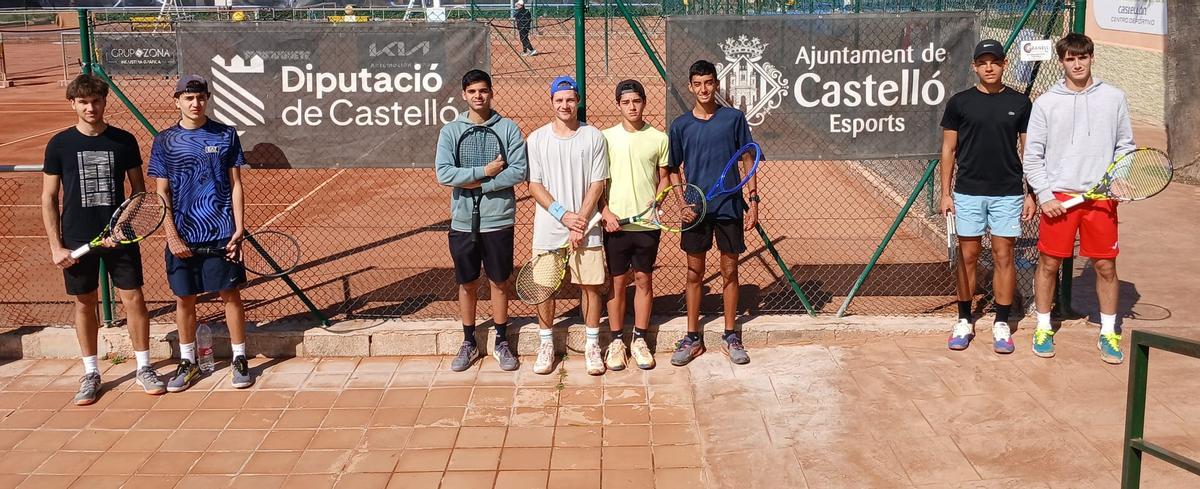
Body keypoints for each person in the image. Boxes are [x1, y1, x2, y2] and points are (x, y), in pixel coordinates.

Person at [41, 74, 165, 405]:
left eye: (96, 101)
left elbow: (139, 191)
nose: (90, 107)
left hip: (119, 236)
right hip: (77, 236)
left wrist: (119, 226)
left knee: (134, 298)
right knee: (84, 302)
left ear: (104, 102)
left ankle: (144, 367)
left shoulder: (123, 141)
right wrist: (56, 246)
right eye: (83, 102)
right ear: (73, 104)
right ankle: (91, 372)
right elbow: (49, 197)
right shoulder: (59, 145)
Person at [1023, 33, 1135, 364]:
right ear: (1062, 62)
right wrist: (1044, 195)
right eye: (1070, 58)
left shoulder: (1114, 98)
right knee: (1049, 263)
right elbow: (1033, 156)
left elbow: (1125, 146)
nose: (1077, 63)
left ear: (1091, 58)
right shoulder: (1046, 103)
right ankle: (1043, 327)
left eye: (1082, 57)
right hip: (1058, 198)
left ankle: (1109, 332)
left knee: (1105, 265)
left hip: (1100, 198)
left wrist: (1118, 178)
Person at [149, 75, 254, 390]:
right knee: (185, 299)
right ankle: (188, 361)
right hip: (183, 234)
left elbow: (236, 185)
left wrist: (239, 228)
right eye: (188, 98)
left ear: (207, 99)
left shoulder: (225, 135)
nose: (195, 104)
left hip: (221, 231)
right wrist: (172, 235)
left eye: (200, 98)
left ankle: (239, 358)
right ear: (177, 100)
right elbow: (161, 193)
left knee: (230, 295)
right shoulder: (165, 140)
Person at [939, 39, 1035, 353]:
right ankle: (964, 320)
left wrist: (1031, 193)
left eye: (994, 61)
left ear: (1004, 64)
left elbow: (1029, 150)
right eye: (983, 62)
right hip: (967, 192)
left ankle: (1002, 323)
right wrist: (945, 193)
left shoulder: (1020, 103)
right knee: (967, 258)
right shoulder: (959, 102)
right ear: (975, 67)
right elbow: (948, 149)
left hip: (1007, 194)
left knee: (1003, 257)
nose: (989, 67)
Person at [435, 69, 528, 372]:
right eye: (473, 91)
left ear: (491, 93)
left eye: (483, 91)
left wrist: (482, 185)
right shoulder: (451, 131)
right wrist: (483, 172)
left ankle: (501, 340)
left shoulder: (508, 129)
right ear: (464, 95)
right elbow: (444, 173)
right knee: (467, 283)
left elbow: (518, 170)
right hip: (463, 221)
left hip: (498, 219)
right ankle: (469, 341)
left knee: (499, 282)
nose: (478, 96)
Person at [666, 60, 757, 367]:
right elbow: (673, 170)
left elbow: (748, 158)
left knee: (731, 272)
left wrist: (754, 200)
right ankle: (693, 337)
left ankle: (731, 336)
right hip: (695, 211)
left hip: (729, 207)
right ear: (691, 87)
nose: (703, 89)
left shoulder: (733, 118)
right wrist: (682, 203)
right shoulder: (680, 125)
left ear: (716, 85)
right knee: (694, 273)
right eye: (698, 84)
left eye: (709, 83)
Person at [527, 75, 609, 375]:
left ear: (578, 102)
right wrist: (563, 216)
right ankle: (546, 344)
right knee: (545, 288)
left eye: (570, 99)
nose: (565, 105)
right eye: (559, 100)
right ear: (552, 102)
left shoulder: (594, 137)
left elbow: (597, 183)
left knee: (590, 287)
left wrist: (580, 222)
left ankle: (592, 346)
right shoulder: (536, 139)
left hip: (587, 228)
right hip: (549, 229)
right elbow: (534, 185)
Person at [599, 79, 668, 371]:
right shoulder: (604, 138)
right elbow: (598, 182)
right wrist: (606, 212)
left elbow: (664, 178)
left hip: (646, 226)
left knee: (643, 280)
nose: (632, 107)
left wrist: (657, 202)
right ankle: (616, 342)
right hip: (616, 225)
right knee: (616, 283)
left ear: (644, 103)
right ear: (618, 105)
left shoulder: (659, 138)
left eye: (636, 101)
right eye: (626, 102)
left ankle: (639, 339)